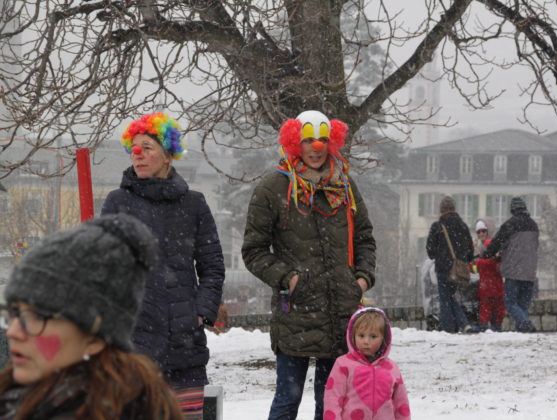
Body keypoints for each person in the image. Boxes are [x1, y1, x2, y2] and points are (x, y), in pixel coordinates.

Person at [241, 110, 376, 420]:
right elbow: (254, 251)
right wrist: (289, 279)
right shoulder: (273, 188)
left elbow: (365, 239)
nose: (316, 147)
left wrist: (361, 279)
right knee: (287, 401)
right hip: (296, 313)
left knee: (331, 404)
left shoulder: (345, 185)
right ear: (294, 142)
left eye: (323, 140)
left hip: (341, 313)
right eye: (308, 140)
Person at [102, 112, 225, 418]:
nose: (138, 154)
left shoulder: (194, 204)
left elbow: (212, 265)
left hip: (184, 342)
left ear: (168, 155)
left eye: (147, 147)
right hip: (134, 340)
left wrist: (200, 311)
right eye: (134, 148)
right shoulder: (117, 202)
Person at [0, 214, 183, 420]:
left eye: (38, 316)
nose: (13, 331)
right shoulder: (19, 399)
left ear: (94, 338)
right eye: (14, 312)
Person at [323, 307, 411, 420]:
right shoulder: (343, 364)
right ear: (353, 335)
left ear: (384, 338)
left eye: (373, 336)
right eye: (361, 335)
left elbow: (401, 403)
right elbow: (333, 399)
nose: (366, 341)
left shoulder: (391, 368)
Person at [481, 196, 539, 333]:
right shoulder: (534, 225)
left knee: (510, 303)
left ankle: (525, 323)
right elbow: (534, 246)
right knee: (522, 306)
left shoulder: (510, 224)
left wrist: (485, 254)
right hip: (530, 271)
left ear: (512, 210)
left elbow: (495, 243)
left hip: (514, 271)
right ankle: (523, 331)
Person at [426, 196, 474, 333]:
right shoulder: (463, 226)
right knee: (451, 296)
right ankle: (463, 323)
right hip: (458, 269)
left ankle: (449, 329)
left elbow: (430, 251)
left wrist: (440, 255)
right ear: (454, 209)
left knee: (445, 299)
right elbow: (470, 250)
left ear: (441, 210)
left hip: (443, 268)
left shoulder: (437, 226)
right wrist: (462, 259)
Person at [473, 237, 505, 331]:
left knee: (485, 311)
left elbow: (474, 268)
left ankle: (484, 327)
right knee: (498, 312)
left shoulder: (481, 262)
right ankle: (497, 328)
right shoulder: (500, 262)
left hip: (485, 291)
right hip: (498, 291)